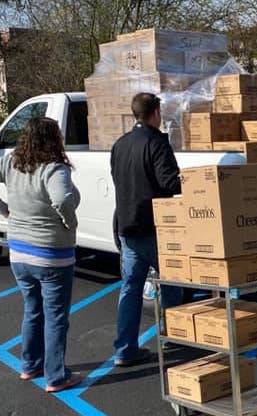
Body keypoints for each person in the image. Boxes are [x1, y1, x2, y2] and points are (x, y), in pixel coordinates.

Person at [0, 117, 82, 391]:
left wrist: (1, 208)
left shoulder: (11, 163)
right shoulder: (55, 168)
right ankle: (56, 376)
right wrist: (70, 222)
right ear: (54, 140)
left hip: (19, 252)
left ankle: (30, 366)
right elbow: (64, 199)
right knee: (55, 317)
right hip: (51, 253)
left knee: (33, 310)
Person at [111, 92, 183, 366]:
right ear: (155, 113)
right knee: (172, 281)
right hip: (154, 225)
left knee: (130, 287)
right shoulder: (156, 143)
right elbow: (169, 183)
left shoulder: (120, 145)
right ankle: (175, 335)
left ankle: (124, 349)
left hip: (126, 225)